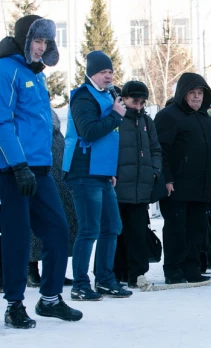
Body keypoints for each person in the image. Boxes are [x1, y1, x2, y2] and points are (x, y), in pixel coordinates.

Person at [0, 15, 82, 327]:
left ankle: (49, 299)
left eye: (46, 42)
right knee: (18, 238)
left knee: (58, 231)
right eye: (37, 41)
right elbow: (2, 122)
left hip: (41, 168)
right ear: (24, 39)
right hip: (14, 170)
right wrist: (18, 166)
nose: (41, 47)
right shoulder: (6, 69)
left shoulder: (38, 74)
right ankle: (14, 304)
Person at [63, 50, 132, 300]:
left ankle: (104, 279)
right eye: (103, 72)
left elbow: (108, 137)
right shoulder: (83, 96)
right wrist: (115, 115)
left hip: (101, 173)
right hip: (82, 171)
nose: (108, 76)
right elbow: (88, 131)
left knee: (112, 226)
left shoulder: (107, 97)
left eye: (110, 72)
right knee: (89, 228)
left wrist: (110, 171)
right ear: (91, 72)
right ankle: (81, 284)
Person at [155, 73, 211, 284]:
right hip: (177, 186)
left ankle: (192, 268)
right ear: (183, 94)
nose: (197, 97)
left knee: (197, 230)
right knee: (176, 230)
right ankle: (173, 270)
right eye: (192, 93)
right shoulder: (168, 116)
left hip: (201, 186)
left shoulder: (205, 118)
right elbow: (160, 151)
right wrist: (167, 178)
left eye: (200, 93)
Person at [112, 81, 162, 288]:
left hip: (141, 188)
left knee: (138, 233)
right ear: (123, 99)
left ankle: (137, 275)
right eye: (135, 101)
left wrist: (155, 172)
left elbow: (155, 149)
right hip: (117, 186)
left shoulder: (147, 122)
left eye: (142, 102)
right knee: (116, 233)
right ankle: (113, 274)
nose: (138, 106)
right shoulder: (114, 119)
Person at [28, 108, 77, 288]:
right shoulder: (27, 119)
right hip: (36, 177)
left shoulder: (54, 125)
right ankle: (31, 269)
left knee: (60, 226)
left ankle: (56, 271)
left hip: (60, 180)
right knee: (34, 226)